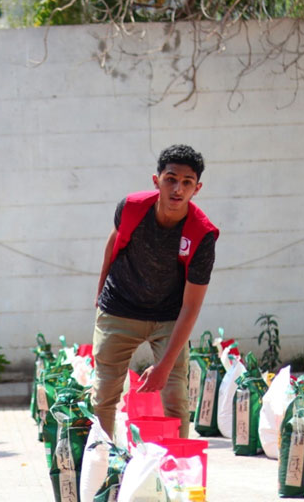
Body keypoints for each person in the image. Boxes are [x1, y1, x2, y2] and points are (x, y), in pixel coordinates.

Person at [92, 144, 218, 439]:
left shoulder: (202, 234)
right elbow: (112, 245)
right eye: (170, 179)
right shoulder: (132, 207)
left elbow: (191, 306)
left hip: (169, 317)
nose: (177, 189)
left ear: (197, 189)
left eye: (187, 182)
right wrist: (100, 296)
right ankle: (101, 461)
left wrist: (164, 366)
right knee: (104, 397)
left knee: (175, 398)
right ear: (156, 180)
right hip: (119, 307)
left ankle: (177, 464)